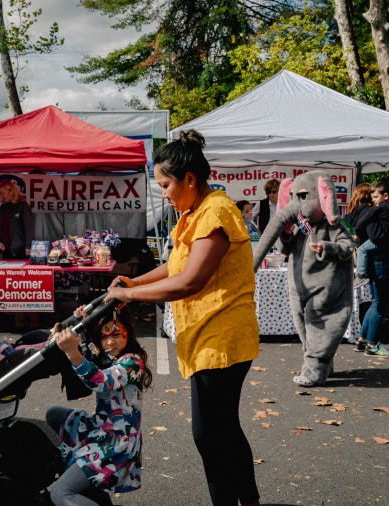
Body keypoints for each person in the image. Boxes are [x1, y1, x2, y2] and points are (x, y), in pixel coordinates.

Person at [105, 130, 261, 506]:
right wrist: (130, 281)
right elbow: (175, 265)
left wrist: (127, 294)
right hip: (208, 335)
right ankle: (250, 502)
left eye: (165, 185)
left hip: (221, 337)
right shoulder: (193, 212)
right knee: (223, 429)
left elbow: (190, 281)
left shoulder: (216, 212)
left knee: (209, 435)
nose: (164, 193)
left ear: (189, 179)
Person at [47, 307, 152, 506]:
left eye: (117, 334)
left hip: (115, 444)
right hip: (100, 428)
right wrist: (86, 323)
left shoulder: (132, 362)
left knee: (61, 494)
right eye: (104, 337)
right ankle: (81, 473)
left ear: (128, 332)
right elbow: (96, 354)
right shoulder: (110, 355)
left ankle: (81, 474)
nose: (110, 342)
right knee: (55, 415)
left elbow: (100, 380)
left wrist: (71, 351)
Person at [348, 180, 389, 357]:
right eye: (373, 196)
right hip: (383, 261)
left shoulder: (356, 212)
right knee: (380, 305)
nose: (374, 200)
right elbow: (378, 237)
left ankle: (363, 340)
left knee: (376, 304)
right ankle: (372, 344)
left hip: (375, 262)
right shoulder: (371, 212)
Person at [351, 181, 389, 291]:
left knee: (362, 250)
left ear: (385, 196)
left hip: (385, 239)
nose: (373, 200)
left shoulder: (378, 208)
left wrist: (357, 232)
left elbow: (362, 221)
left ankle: (361, 276)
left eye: (375, 197)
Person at [0, 179, 34, 260]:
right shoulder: (2, 208)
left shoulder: (22, 206)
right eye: (0, 194)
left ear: (11, 192)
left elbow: (29, 227)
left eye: (3, 193)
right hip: (5, 251)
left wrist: (28, 246)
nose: (1, 196)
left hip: (20, 250)